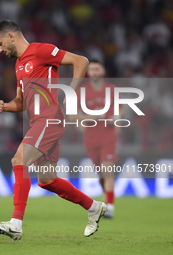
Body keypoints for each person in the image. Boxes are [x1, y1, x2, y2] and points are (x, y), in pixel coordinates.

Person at [0, 20, 106, 241]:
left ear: (11, 37)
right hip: (39, 122)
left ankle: (16, 224)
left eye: (0, 43)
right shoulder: (19, 66)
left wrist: (70, 92)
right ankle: (93, 207)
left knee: (19, 161)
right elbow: (21, 102)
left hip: (49, 119)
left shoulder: (41, 50)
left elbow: (81, 61)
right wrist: (5, 106)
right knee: (47, 180)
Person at [72, 59, 125, 218]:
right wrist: (87, 118)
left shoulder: (112, 89)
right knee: (101, 173)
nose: (94, 72)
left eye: (97, 69)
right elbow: (74, 116)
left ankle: (109, 207)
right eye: (92, 69)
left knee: (108, 169)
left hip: (108, 136)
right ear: (88, 73)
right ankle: (106, 197)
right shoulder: (82, 92)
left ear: (103, 71)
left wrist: (117, 118)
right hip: (91, 138)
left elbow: (121, 108)